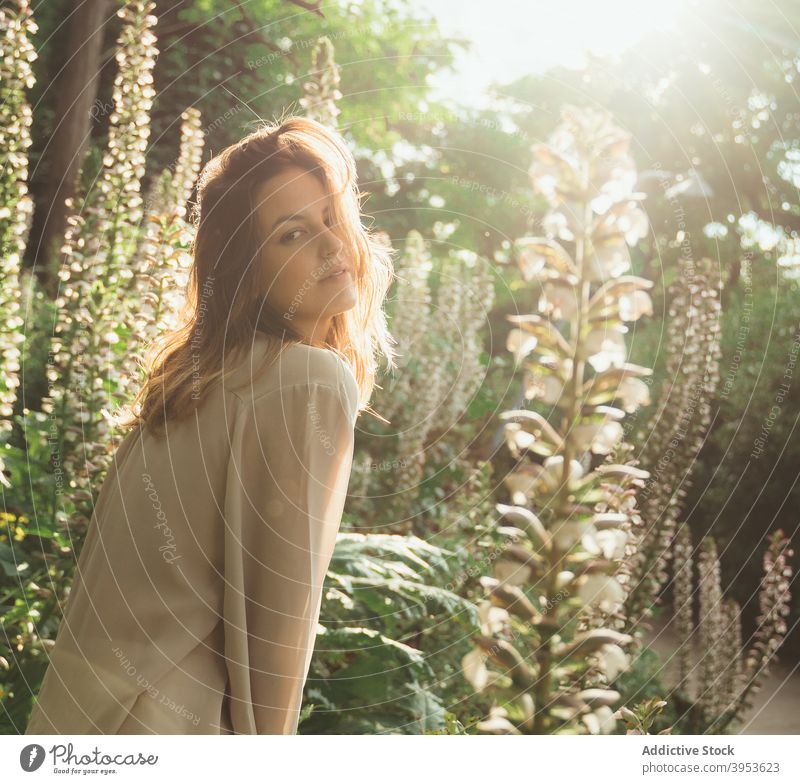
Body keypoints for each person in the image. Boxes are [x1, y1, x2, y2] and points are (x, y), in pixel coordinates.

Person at [24, 116, 396, 735]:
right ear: (247, 273)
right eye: (293, 234)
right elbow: (276, 623)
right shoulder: (305, 380)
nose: (332, 247)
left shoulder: (191, 386)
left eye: (332, 217)